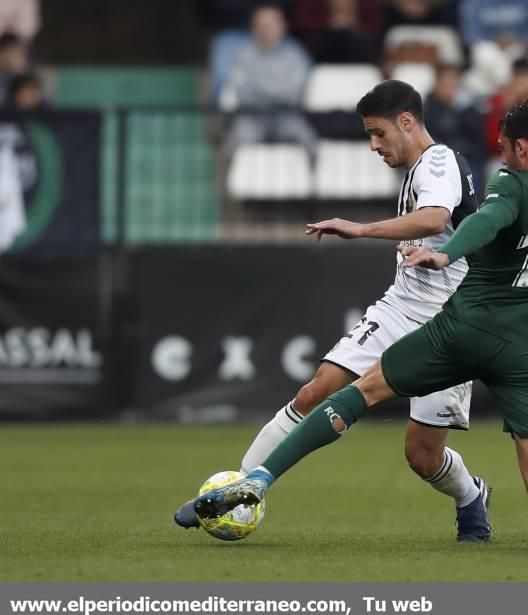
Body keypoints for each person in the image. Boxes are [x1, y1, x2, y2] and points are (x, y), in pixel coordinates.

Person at [187, 35, 528, 551]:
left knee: (360, 392)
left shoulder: (512, 185)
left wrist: (445, 253)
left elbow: (482, 222)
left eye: (503, 147)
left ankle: (258, 482)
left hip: (466, 329)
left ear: (519, 148)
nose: (501, 155)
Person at [177, 79, 491, 542]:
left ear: (407, 122)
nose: (374, 145)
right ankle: (239, 489)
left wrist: (359, 229)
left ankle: (470, 495)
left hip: (448, 322)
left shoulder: (439, 161)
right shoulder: (420, 168)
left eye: (379, 133)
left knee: (422, 456)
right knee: (315, 391)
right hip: (401, 307)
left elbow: (435, 218)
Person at [221, 3, 317, 154]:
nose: (265, 30)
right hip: (252, 116)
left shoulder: (295, 56)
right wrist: (277, 86)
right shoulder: (242, 56)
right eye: (261, 25)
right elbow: (242, 93)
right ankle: (235, 178)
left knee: (307, 139)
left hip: (287, 116)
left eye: (270, 25)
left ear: (282, 27)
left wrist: (258, 85)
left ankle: (311, 178)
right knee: (238, 138)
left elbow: (293, 95)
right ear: (253, 28)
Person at [424, 64, 485, 192]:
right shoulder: (427, 109)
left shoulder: (466, 108)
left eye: (454, 84)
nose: (450, 88)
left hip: (467, 159)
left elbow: (477, 135)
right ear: (437, 84)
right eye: (447, 84)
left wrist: (462, 111)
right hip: (440, 161)